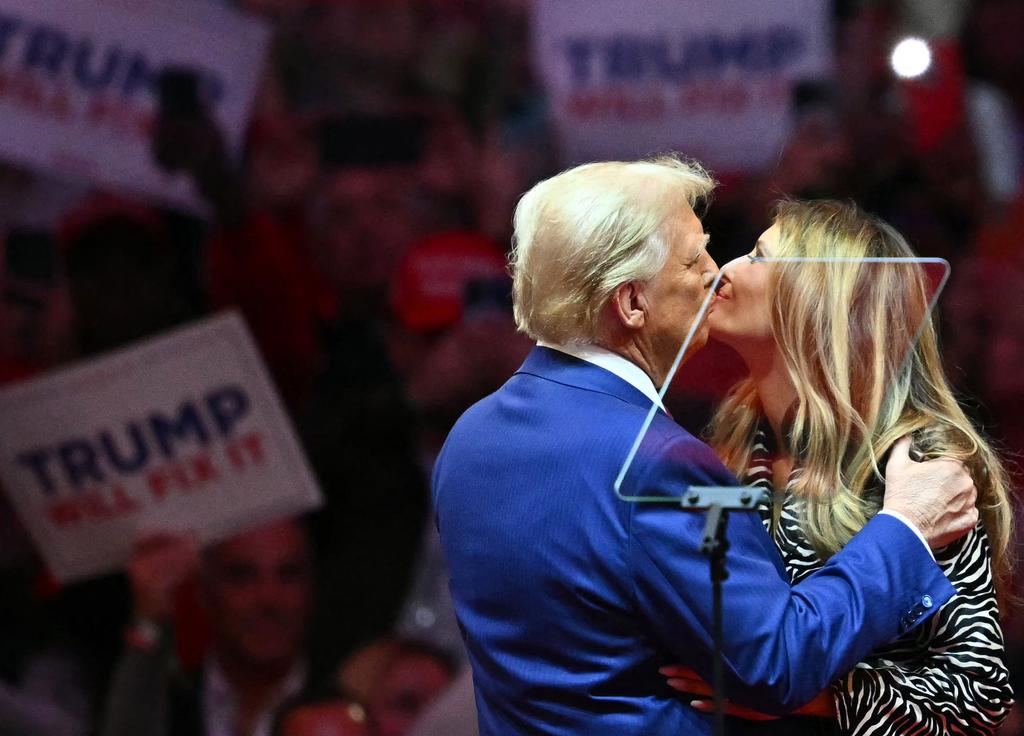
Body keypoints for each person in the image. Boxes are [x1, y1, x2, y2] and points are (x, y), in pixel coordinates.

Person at [432, 156, 979, 734]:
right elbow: (776, 664)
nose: (717, 273)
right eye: (694, 260)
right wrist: (908, 526)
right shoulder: (659, 461)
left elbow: (973, 688)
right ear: (632, 304)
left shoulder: (469, 437)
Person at [664, 199, 1014, 733]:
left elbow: (979, 695)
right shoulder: (735, 441)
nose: (723, 269)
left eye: (758, 256)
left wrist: (813, 696)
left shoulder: (919, 460)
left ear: (817, 300)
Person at [100, 517, 314, 736]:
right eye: (242, 576)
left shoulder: (342, 701)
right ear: (203, 592)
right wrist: (149, 621)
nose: (268, 598)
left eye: (289, 574)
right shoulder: (169, 705)